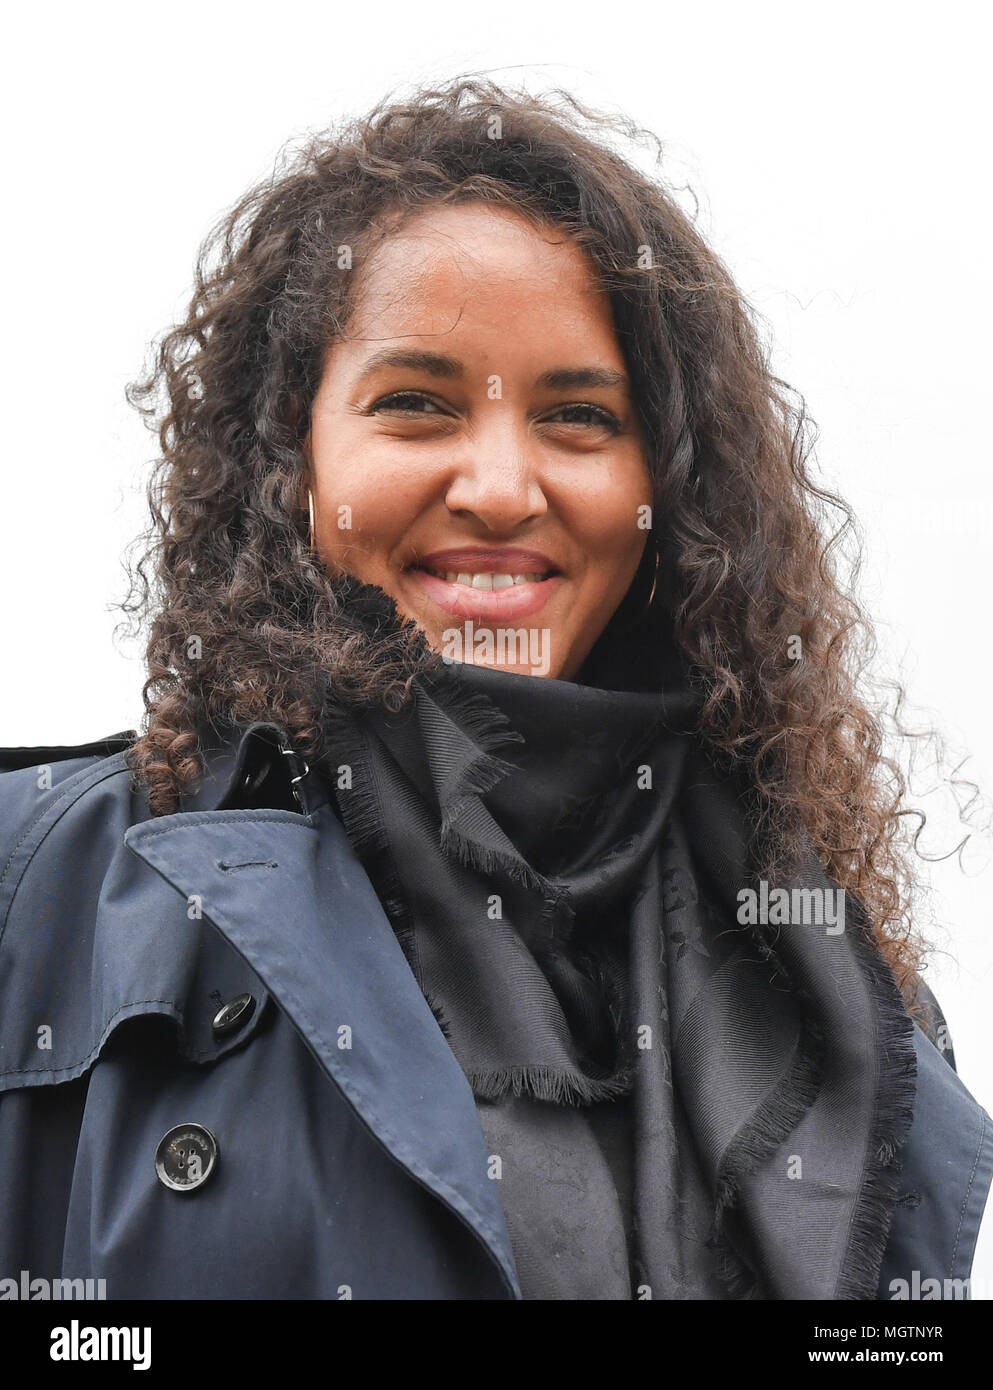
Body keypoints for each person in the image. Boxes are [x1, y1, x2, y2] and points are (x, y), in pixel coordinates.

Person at [1, 77, 989, 1302]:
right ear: (290, 459)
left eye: (580, 416)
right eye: (414, 405)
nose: (505, 488)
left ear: (668, 489)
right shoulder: (37, 888)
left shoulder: (842, 982)